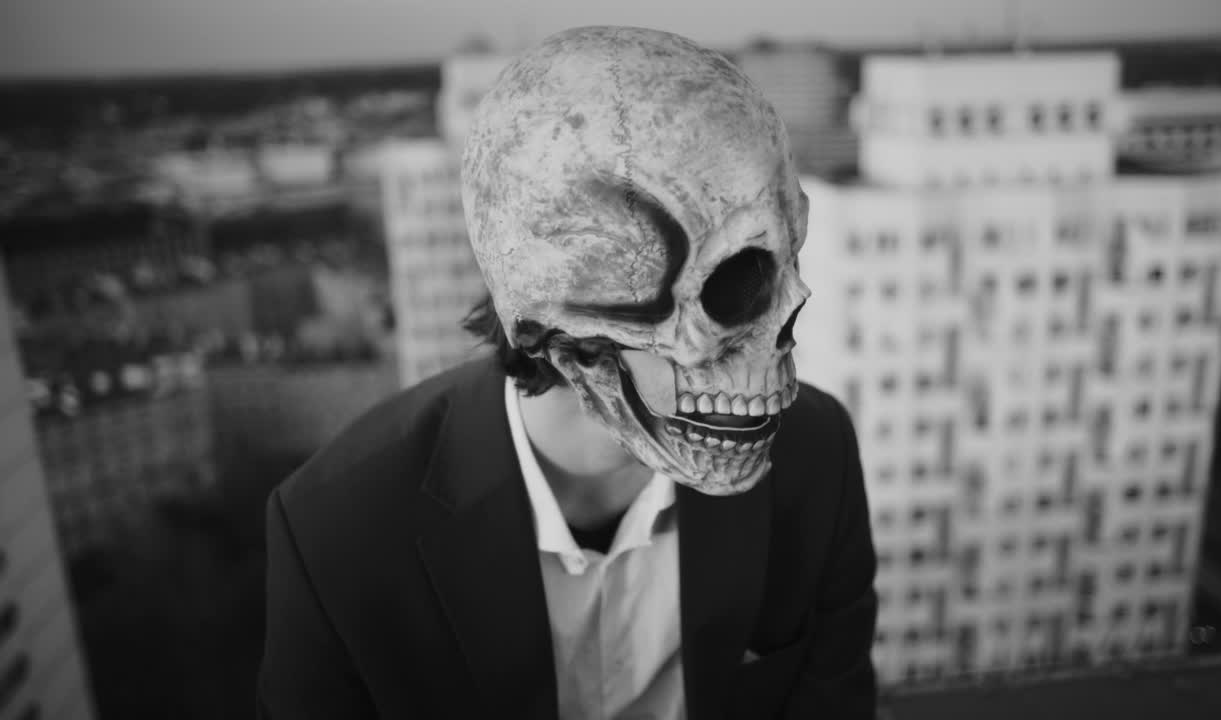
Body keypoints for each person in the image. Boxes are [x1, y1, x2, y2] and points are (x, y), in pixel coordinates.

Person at [258, 25, 877, 720]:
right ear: (556, 318)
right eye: (723, 289)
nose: (778, 330)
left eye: (782, 264)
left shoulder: (815, 457)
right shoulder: (339, 532)